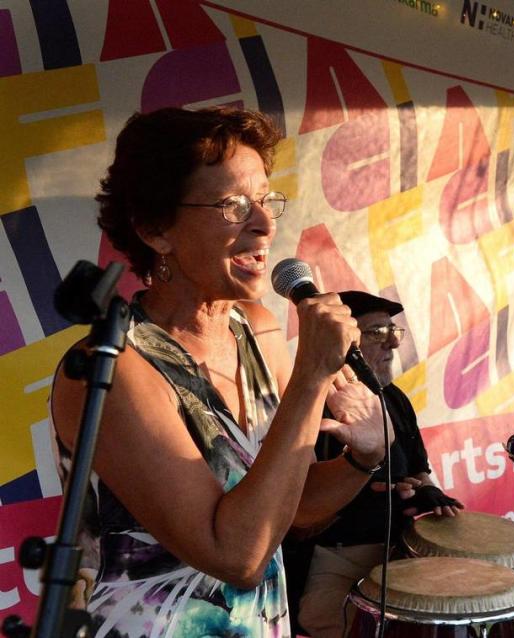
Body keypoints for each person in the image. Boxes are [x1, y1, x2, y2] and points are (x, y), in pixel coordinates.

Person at [50, 106, 393, 637]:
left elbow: (290, 507)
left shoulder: (256, 328)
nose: (264, 222)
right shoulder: (114, 365)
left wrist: (361, 458)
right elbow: (236, 555)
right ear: (155, 230)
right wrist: (310, 378)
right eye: (233, 205)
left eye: (265, 199)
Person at [288, 291, 463, 637]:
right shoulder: (311, 404)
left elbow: (419, 471)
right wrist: (362, 495)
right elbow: (297, 521)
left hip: (398, 553)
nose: (391, 346)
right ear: (344, 343)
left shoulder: (395, 398)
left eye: (392, 333)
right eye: (375, 334)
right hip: (336, 561)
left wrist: (428, 493)